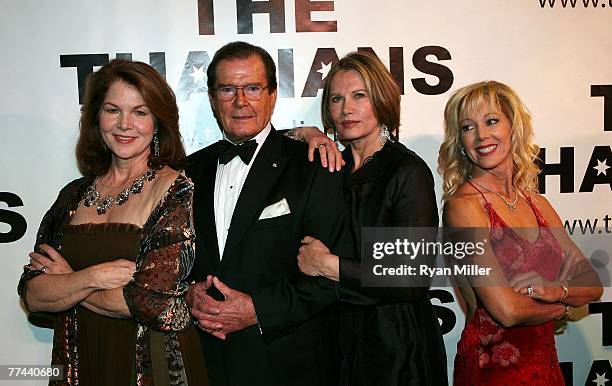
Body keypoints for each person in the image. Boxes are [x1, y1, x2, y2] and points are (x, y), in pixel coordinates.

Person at [18, 59, 209, 386]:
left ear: (157, 121)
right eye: (112, 110)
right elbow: (33, 294)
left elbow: (150, 303)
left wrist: (67, 283)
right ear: (96, 117)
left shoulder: (175, 190)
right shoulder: (72, 196)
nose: (124, 124)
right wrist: (93, 277)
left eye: (139, 112)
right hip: (78, 361)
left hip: (151, 366)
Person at [186, 41, 353, 386]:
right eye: (228, 89)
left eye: (252, 88)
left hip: (287, 364)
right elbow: (173, 263)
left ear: (273, 95)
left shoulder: (314, 166)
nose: (240, 101)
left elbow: (330, 277)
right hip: (206, 364)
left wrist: (257, 310)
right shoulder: (187, 173)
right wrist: (188, 292)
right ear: (213, 98)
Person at [296, 51, 448, 386]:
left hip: (396, 351)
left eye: (359, 96)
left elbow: (411, 277)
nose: (346, 109)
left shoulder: (406, 171)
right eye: (337, 99)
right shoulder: (330, 167)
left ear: (381, 99)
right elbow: (269, 145)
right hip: (337, 344)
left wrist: (328, 265)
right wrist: (306, 133)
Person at [438, 80, 603, 385]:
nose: (481, 136)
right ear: (460, 141)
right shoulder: (463, 207)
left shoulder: (537, 203)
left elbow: (592, 285)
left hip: (545, 363)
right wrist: (566, 303)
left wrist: (553, 288)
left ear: (513, 126)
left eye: (491, 121)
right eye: (467, 127)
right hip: (492, 369)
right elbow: (507, 311)